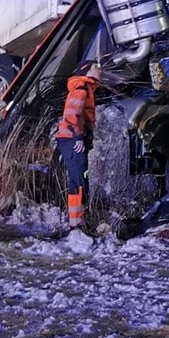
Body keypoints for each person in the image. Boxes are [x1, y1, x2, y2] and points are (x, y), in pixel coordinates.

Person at [51, 60, 101, 230]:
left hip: (73, 138)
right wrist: (77, 137)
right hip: (71, 138)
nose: (99, 69)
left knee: (81, 179)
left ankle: (79, 220)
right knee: (78, 180)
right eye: (95, 67)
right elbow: (72, 115)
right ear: (86, 71)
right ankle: (75, 223)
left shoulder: (86, 89)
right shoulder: (80, 89)